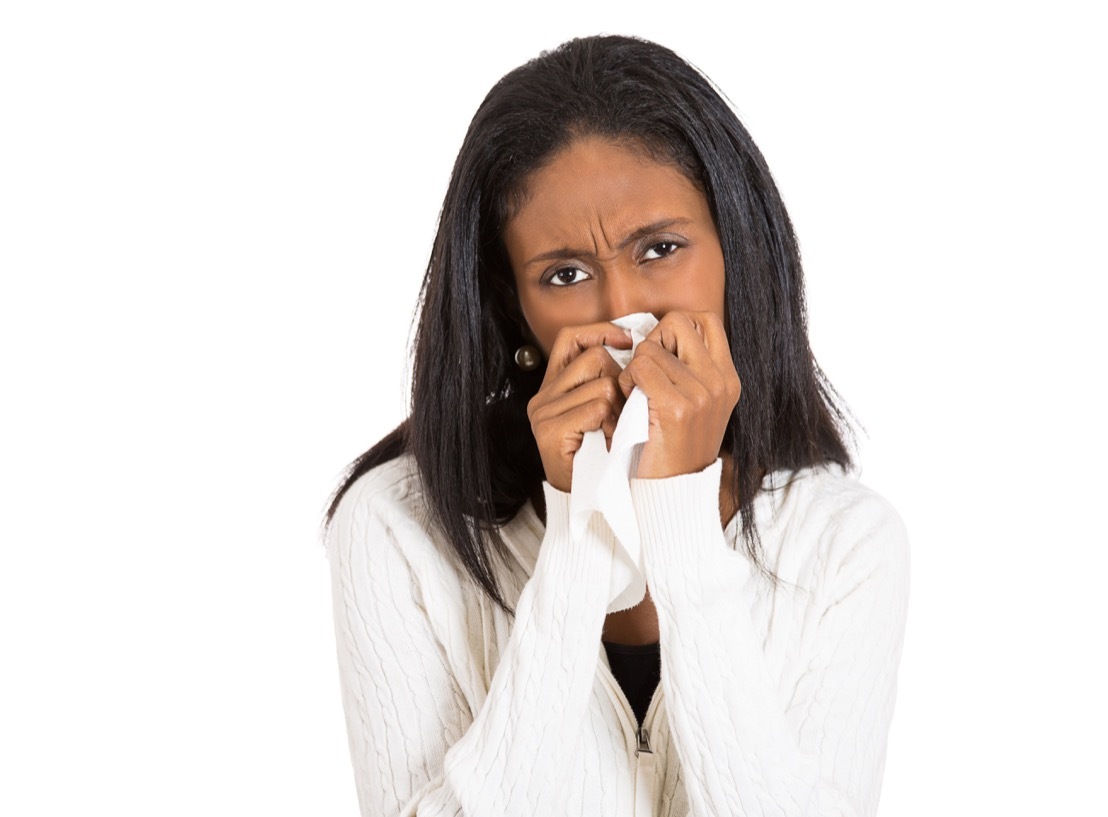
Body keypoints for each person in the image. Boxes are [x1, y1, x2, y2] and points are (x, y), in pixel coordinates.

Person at [324, 34, 909, 817]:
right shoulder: (395, 526)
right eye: (565, 274)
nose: (619, 310)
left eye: (661, 249)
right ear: (514, 307)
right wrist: (575, 534)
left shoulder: (847, 542)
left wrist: (680, 509)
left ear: (737, 253)